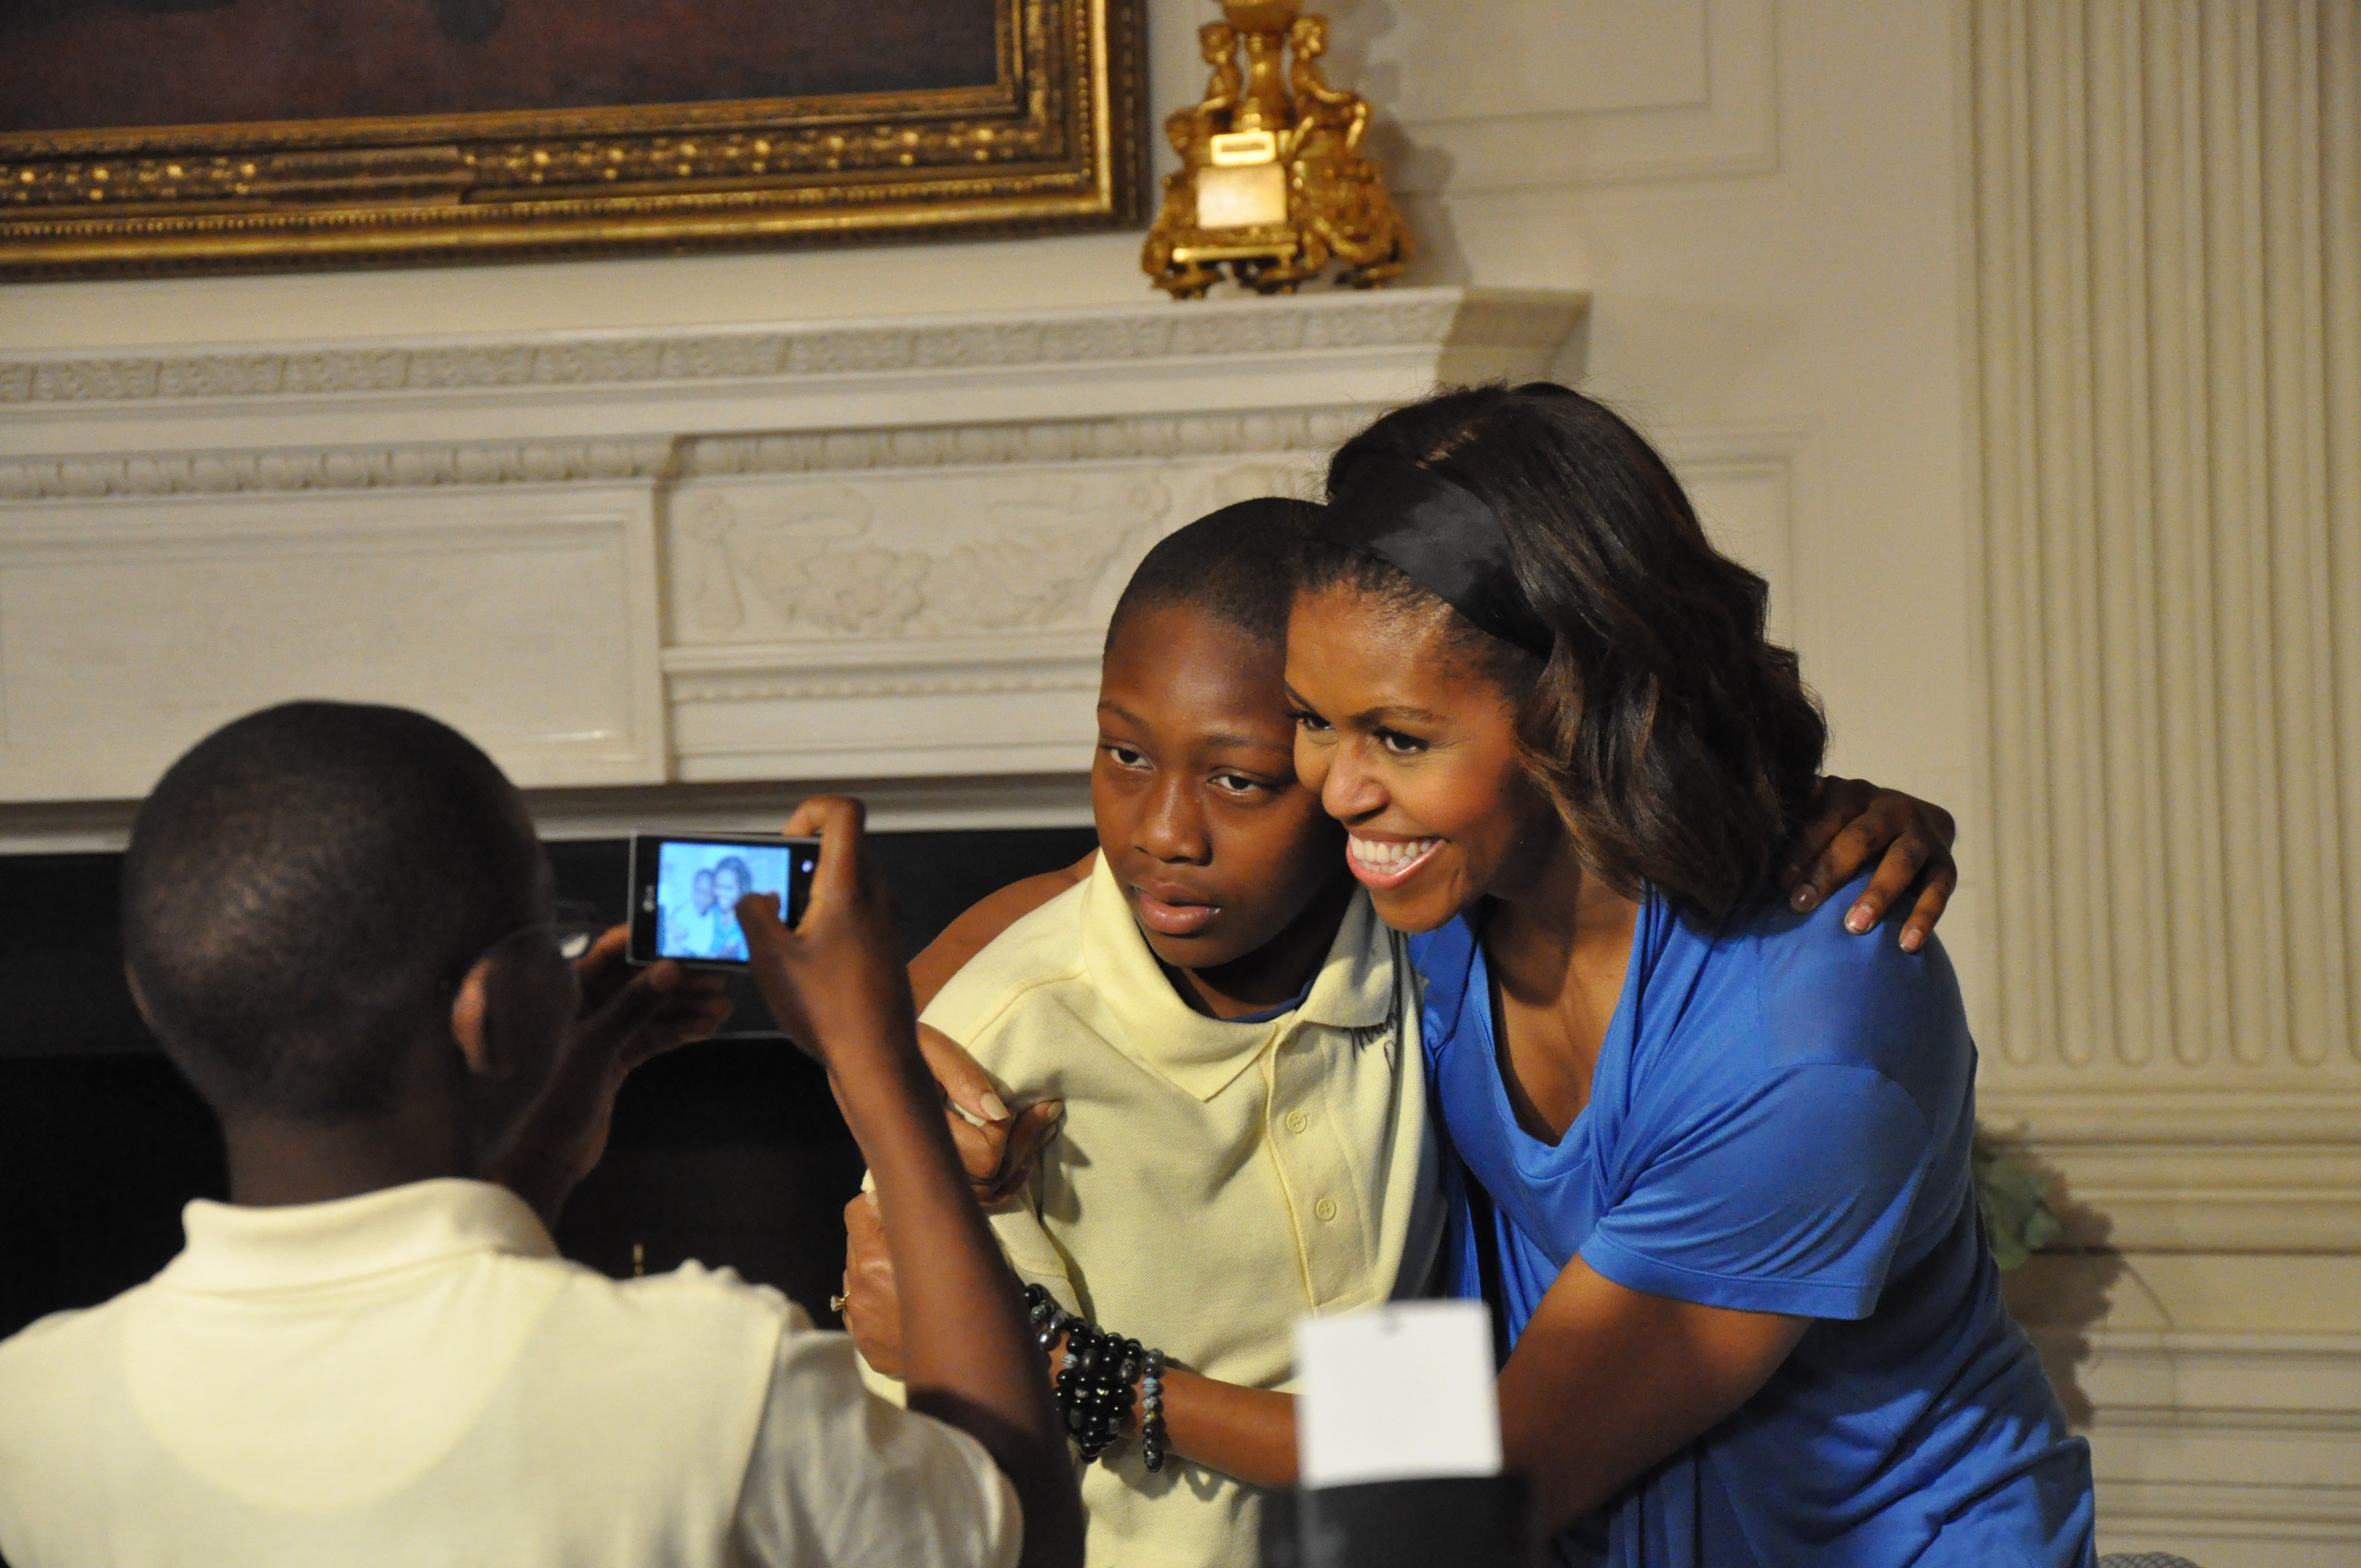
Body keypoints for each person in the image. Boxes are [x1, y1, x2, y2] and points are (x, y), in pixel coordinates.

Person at [840, 503, 1966, 1568]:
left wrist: (1080, 1368)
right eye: (1122, 756)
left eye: (1250, 775)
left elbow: (1490, 1450)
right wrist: (885, 1045)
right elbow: (1083, 901)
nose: (1166, 831)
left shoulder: (1423, 916)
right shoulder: (1032, 1035)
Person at [1282, 384, 2093, 1564]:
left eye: (1398, 737)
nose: (1338, 790)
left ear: (1574, 705)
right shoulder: (1436, 871)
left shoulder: (1809, 1038)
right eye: (1312, 720)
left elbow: (1489, 1483)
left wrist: (1110, 1388)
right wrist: (922, 1052)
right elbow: (1148, 886)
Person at [0, 701, 1084, 1568]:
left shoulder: (34, 1415)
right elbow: (1013, 1529)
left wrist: (540, 1137)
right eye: (547, 919)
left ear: (156, 999)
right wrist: (875, 1062)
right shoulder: (713, 1381)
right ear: (491, 1009)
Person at [708, 855, 756, 962]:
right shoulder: (711, 911)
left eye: (728, 888)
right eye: (718, 886)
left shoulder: (750, 922)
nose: (721, 893)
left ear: (743, 889)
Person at [670, 865, 719, 956]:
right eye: (699, 891)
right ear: (693, 889)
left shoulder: (715, 914)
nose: (702, 897)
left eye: (707, 893)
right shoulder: (683, 912)